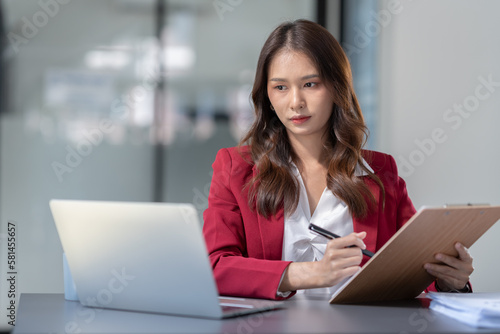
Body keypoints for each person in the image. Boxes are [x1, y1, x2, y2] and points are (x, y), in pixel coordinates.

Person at [202, 19, 473, 300]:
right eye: (280, 87)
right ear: (267, 95)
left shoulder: (380, 172)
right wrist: (309, 273)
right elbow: (215, 267)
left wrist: (449, 281)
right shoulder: (236, 168)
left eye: (310, 84)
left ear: (336, 87)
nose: (295, 102)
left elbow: (413, 272)